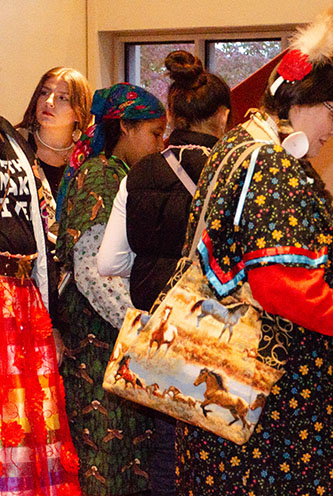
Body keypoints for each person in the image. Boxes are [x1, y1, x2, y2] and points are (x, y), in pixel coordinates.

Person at [175, 1, 333, 494]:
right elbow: (280, 285)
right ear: (301, 102)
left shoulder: (238, 145)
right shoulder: (272, 166)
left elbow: (252, 257)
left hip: (230, 387)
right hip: (274, 409)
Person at [94, 51, 230, 496]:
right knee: (222, 454)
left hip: (160, 329)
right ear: (223, 116)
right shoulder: (235, 172)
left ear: (172, 114)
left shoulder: (139, 173)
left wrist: (156, 263)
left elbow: (109, 263)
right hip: (219, 330)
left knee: (167, 453)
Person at [55, 82, 167, 495]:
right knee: (106, 463)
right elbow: (92, 271)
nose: (160, 144)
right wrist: (145, 330)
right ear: (125, 128)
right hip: (99, 343)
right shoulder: (102, 175)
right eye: (154, 133)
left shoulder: (125, 176)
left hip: (115, 340)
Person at [1, 115, 82, 495]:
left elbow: (38, 226)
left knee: (27, 424)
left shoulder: (9, 135)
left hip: (22, 295)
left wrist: (52, 318)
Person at [16, 67, 92, 228]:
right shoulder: (14, 144)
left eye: (62, 98)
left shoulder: (89, 155)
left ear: (79, 111)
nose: (49, 101)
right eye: (44, 93)